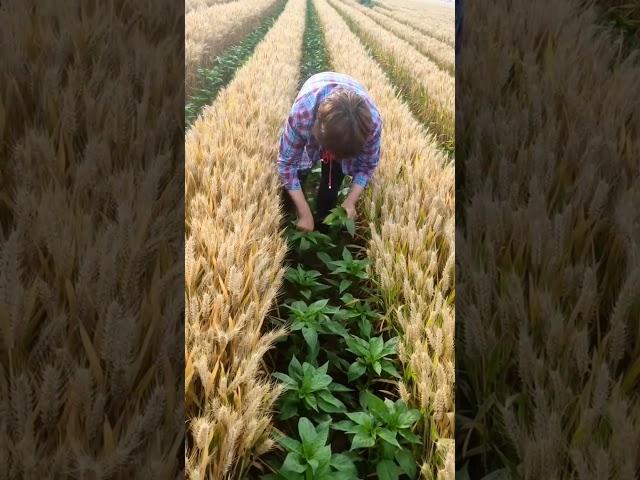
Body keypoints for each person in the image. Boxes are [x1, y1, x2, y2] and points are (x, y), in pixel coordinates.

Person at [277, 72, 382, 232]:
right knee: (299, 171)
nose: (330, 157)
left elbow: (367, 167)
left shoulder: (371, 126)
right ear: (316, 130)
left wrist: (350, 201)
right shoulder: (302, 114)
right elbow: (287, 164)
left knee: (333, 178)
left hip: (342, 123)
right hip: (316, 96)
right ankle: (296, 213)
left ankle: (322, 219)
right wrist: (303, 211)